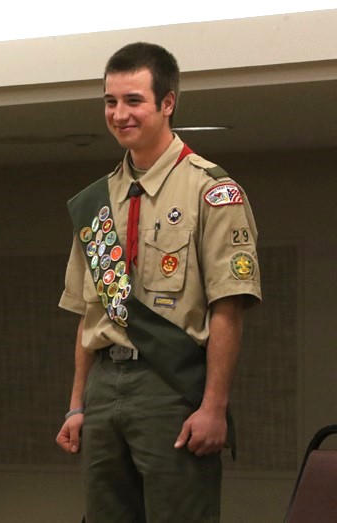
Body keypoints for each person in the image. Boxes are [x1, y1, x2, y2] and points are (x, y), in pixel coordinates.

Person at [55, 42, 261, 522]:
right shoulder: (96, 201)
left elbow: (228, 307)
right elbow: (91, 310)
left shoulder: (210, 189)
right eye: (110, 101)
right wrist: (75, 405)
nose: (119, 114)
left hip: (169, 385)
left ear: (167, 103)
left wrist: (214, 406)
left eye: (133, 100)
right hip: (105, 386)